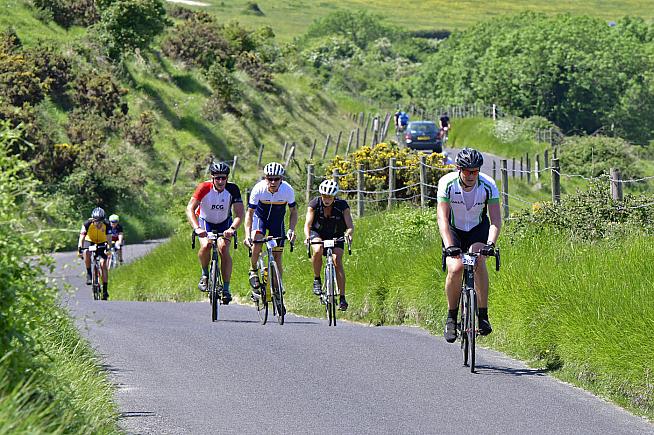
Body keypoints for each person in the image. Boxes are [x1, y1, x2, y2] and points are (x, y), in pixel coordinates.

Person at [436, 148, 501, 343]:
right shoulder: (447, 183)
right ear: (459, 169)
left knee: (479, 260)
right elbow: (442, 218)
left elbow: (496, 220)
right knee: (456, 268)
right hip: (454, 230)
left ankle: (483, 315)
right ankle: (451, 318)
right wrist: (449, 246)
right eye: (467, 171)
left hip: (477, 229)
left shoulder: (488, 185)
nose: (471, 175)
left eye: (475, 171)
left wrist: (490, 244)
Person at [186, 161, 244, 304]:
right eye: (217, 178)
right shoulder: (203, 187)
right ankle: (205, 274)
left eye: (223, 178)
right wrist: (197, 228)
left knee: (223, 248)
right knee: (206, 245)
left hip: (225, 223)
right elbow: (190, 209)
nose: (220, 181)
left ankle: (226, 289)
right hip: (205, 222)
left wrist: (232, 229)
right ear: (212, 178)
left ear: (227, 178)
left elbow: (239, 214)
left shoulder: (233, 189)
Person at [244, 162, 298, 299]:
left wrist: (291, 230)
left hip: (277, 222)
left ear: (282, 179)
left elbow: (293, 211)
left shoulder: (287, 190)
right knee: (257, 241)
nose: (273, 182)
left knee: (277, 255)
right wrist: (247, 234)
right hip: (260, 218)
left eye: (276, 179)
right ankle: (253, 269)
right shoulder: (259, 189)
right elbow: (250, 213)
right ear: (265, 178)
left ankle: (277, 287)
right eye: (270, 178)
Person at [304, 179, 354, 311]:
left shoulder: (342, 205)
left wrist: (348, 234)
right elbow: (308, 224)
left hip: (336, 234)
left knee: (337, 260)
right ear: (321, 195)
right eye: (324, 196)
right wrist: (307, 237)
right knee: (318, 250)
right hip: (318, 233)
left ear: (334, 196)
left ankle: (342, 298)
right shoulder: (314, 204)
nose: (327, 199)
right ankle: (317, 279)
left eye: (330, 197)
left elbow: (350, 226)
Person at [77, 207, 111, 300]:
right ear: (93, 220)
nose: (98, 224)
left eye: (100, 222)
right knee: (86, 252)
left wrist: (108, 248)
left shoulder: (107, 224)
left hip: (102, 242)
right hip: (90, 241)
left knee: (103, 264)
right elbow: (81, 237)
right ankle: (89, 273)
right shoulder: (87, 224)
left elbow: (109, 238)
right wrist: (80, 249)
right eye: (96, 222)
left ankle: (105, 290)